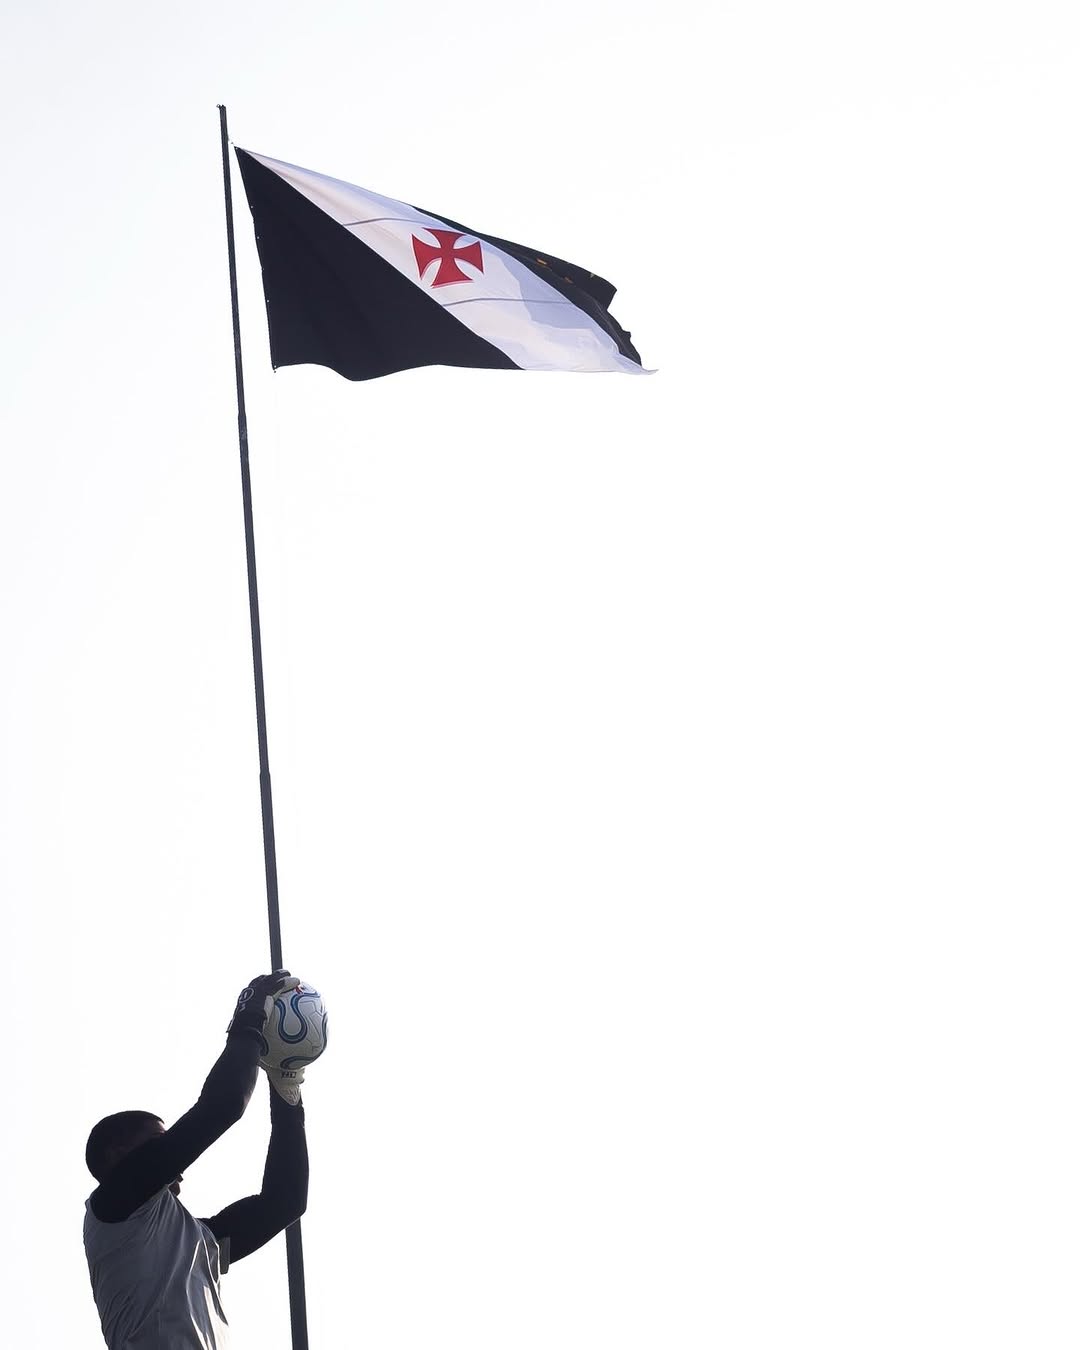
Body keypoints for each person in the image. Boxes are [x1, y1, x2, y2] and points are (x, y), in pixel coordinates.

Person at [83, 971, 309, 1349]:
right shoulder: (113, 1206)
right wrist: (249, 1016)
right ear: (117, 1154)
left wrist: (287, 1091)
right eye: (159, 1141)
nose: (177, 1162)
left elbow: (285, 1202)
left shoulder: (199, 1243)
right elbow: (223, 1105)